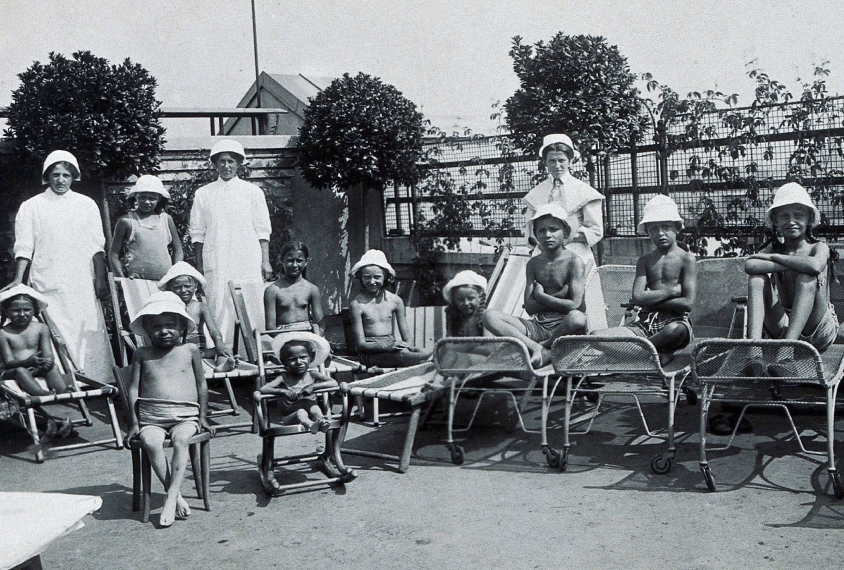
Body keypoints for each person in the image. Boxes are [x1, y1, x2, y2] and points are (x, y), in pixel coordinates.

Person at [6, 150, 114, 382]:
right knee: (53, 330)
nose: (61, 180)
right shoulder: (32, 206)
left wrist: (101, 278)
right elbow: (24, 247)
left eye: (66, 174)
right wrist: (19, 279)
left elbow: (97, 246)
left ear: (74, 176)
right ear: (47, 176)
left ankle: (98, 379)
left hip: (82, 279)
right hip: (48, 279)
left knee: (87, 327)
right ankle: (61, 382)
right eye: (56, 174)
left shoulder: (86, 204)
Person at [124, 291, 214, 528]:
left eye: (170, 326)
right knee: (152, 442)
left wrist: (203, 417)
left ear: (182, 327)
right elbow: (133, 389)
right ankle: (175, 493)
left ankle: (171, 496)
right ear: (147, 330)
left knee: (182, 439)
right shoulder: (142, 354)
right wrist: (134, 423)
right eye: (156, 327)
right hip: (151, 417)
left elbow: (201, 385)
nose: (164, 331)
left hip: (186, 415)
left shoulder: (190, 350)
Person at [590, 195, 697, 366]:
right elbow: (637, 297)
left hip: (675, 321)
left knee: (674, 330)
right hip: (644, 324)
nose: (660, 233)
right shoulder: (645, 260)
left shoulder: (687, 259)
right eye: (653, 229)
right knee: (595, 337)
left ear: (677, 228)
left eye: (665, 227)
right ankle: (656, 353)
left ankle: (636, 353)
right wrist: (671, 292)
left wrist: (650, 300)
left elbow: (687, 303)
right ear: (647, 231)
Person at [745, 182, 840, 371]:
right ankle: (754, 353)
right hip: (786, 326)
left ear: (809, 219)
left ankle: (786, 353)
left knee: (807, 278)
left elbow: (814, 265)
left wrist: (772, 258)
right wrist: (783, 257)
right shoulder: (776, 248)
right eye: (784, 216)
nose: (791, 221)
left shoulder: (817, 247)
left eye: (798, 215)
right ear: (775, 221)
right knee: (757, 279)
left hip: (819, 330)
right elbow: (751, 265)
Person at [189, 139, 272, 345]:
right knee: (217, 300)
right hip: (216, 257)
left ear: (239, 164)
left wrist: (265, 260)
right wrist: (199, 264)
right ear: (215, 164)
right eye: (222, 161)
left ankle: (253, 350)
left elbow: (263, 230)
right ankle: (221, 349)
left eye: (231, 161)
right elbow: (198, 233)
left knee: (250, 300)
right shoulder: (204, 193)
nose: (226, 166)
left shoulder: (253, 192)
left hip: (247, 255)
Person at [484, 204, 588, 367]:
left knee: (577, 318)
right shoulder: (534, 263)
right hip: (538, 325)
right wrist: (559, 296)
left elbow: (574, 305)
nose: (547, 235)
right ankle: (537, 348)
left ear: (565, 232)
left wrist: (541, 296)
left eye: (553, 229)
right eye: (541, 230)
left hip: (564, 327)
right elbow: (530, 307)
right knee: (489, 315)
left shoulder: (574, 262)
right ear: (536, 235)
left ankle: (543, 347)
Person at [523, 134, 607, 331]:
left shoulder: (584, 191)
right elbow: (529, 231)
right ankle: (544, 337)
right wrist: (543, 242)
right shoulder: (537, 193)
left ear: (571, 160)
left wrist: (565, 238)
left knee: (582, 301)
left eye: (561, 160)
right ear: (545, 162)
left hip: (577, 252)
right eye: (551, 160)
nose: (557, 165)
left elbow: (596, 229)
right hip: (545, 255)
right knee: (541, 297)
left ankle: (589, 342)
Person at [0, 284, 74, 438]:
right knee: (21, 371)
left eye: (26, 310)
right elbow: (8, 361)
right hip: (12, 371)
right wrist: (28, 362)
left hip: (34, 367)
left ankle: (62, 392)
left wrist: (46, 361)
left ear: (34, 311)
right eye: (15, 310)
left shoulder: (41, 328)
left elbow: (48, 353)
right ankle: (42, 394)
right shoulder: (3, 333)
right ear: (6, 312)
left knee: (52, 367)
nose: (22, 314)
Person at [349, 249, 432, 368]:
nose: (372, 282)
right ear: (361, 278)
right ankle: (430, 358)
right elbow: (361, 344)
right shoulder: (357, 304)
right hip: (369, 354)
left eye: (377, 277)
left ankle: (426, 357)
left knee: (420, 352)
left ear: (386, 277)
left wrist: (409, 348)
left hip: (392, 348)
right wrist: (386, 347)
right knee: (405, 357)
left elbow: (407, 337)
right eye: (367, 277)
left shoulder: (396, 301)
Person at [158, 261, 235, 373]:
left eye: (187, 286)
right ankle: (198, 367)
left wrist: (219, 344)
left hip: (201, 352)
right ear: (170, 289)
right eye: (178, 287)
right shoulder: (170, 307)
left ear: (195, 286)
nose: (183, 290)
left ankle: (222, 365)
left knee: (223, 352)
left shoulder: (200, 307)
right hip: (179, 351)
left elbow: (213, 329)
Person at [109, 174, 183, 281]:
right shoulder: (127, 221)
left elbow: (178, 250)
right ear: (135, 196)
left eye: (152, 198)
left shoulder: (166, 220)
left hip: (165, 281)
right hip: (137, 282)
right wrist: (122, 279)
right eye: (142, 197)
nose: (147, 202)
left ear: (159, 198)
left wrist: (175, 273)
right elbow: (113, 254)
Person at [259, 331, 335, 434]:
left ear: (311, 358)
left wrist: (313, 387)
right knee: (301, 412)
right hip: (289, 417)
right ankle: (311, 424)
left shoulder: (312, 374)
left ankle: (322, 421)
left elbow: (333, 383)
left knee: (315, 408)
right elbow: (263, 389)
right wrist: (283, 392)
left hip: (311, 413)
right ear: (285, 362)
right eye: (292, 359)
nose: (299, 362)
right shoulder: (285, 377)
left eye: (303, 357)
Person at [264, 241, 325, 334]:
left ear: (306, 262)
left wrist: (316, 338)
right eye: (290, 260)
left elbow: (320, 324)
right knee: (296, 349)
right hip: (283, 335)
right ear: (282, 260)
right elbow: (270, 327)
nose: (295, 265)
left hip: (307, 334)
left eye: (299, 261)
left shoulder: (312, 289)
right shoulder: (272, 290)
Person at [443, 270, 489, 337]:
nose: (466, 303)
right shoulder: (453, 317)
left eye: (471, 298)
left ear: (480, 297)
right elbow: (448, 342)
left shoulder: (484, 317)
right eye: (460, 299)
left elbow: (488, 343)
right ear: (454, 300)